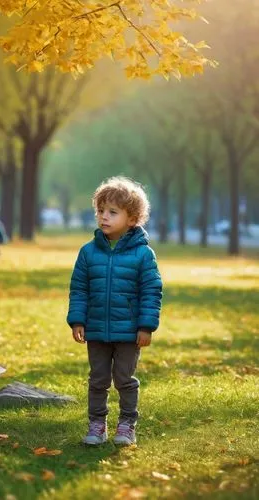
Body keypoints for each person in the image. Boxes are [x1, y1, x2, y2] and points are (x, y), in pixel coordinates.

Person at [67, 176, 162, 446]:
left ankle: (127, 424)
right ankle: (97, 425)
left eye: (112, 212)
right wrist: (77, 320)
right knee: (97, 380)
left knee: (124, 379)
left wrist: (146, 326)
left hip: (129, 332)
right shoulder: (88, 253)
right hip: (96, 329)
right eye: (100, 211)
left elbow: (151, 291)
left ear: (132, 219)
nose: (103, 217)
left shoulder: (143, 255)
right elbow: (79, 289)